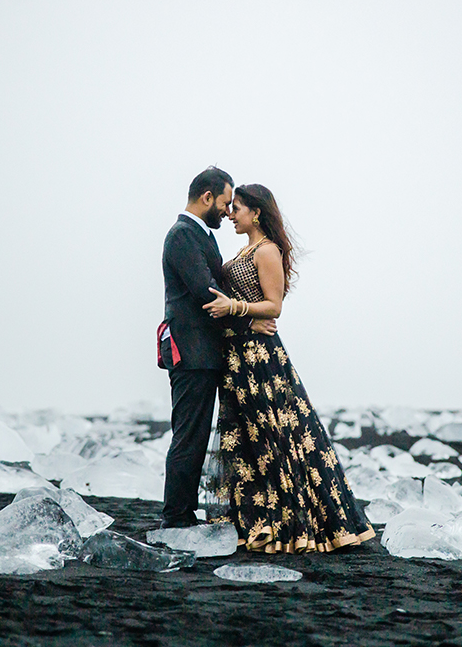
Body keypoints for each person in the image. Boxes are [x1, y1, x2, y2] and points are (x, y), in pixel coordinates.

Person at [202, 184, 376, 553]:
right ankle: (256, 522)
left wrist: (236, 310)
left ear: (257, 213)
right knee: (246, 439)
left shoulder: (267, 250)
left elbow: (274, 306)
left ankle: (295, 525)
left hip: (260, 357)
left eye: (238, 208)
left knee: (275, 436)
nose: (231, 214)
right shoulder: (247, 249)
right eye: (230, 208)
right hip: (238, 356)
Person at [158, 167, 276, 529]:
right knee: (189, 436)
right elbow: (204, 291)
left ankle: (183, 512)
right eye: (225, 203)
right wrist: (250, 320)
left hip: (204, 353)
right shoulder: (182, 235)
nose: (227, 212)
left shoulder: (200, 235)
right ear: (207, 197)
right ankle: (176, 517)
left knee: (194, 434)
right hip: (191, 353)